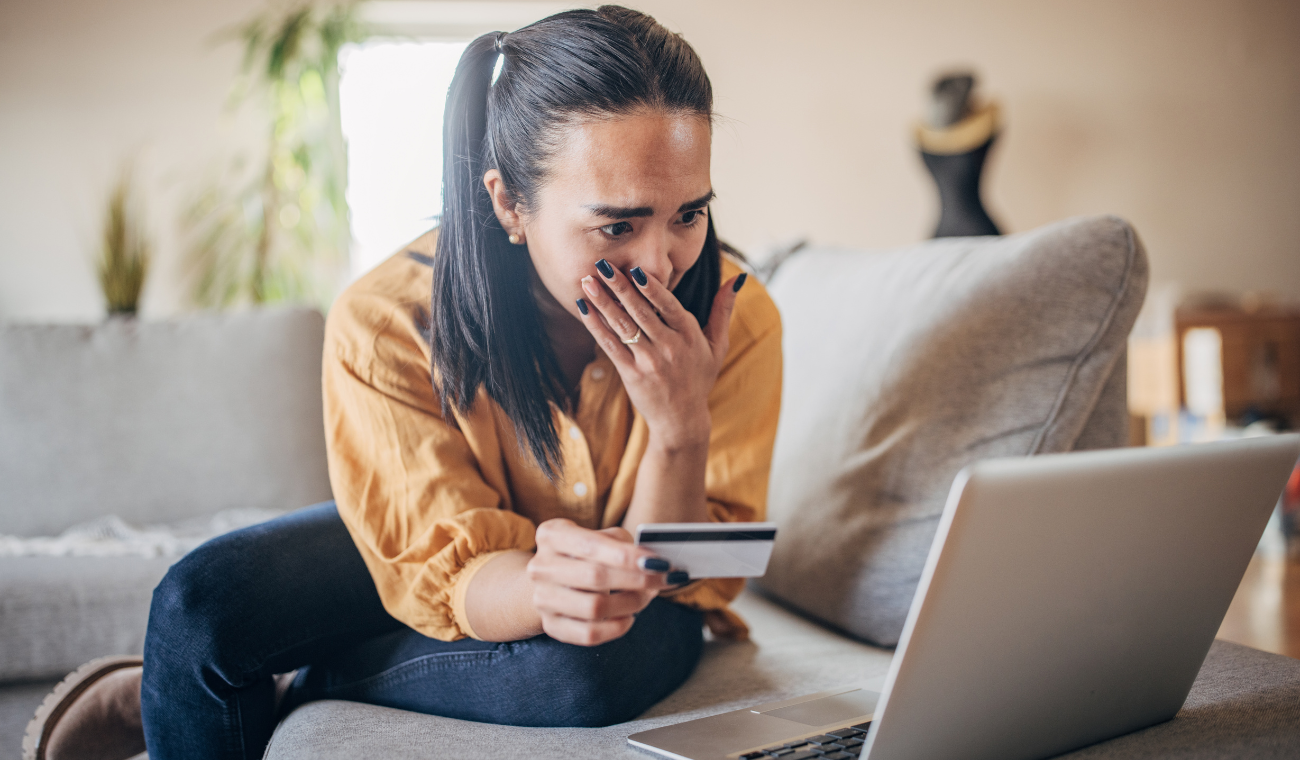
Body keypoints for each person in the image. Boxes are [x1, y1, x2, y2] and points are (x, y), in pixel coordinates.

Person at [22, 6, 782, 760]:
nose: (663, 262)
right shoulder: (387, 321)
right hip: (459, 546)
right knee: (199, 607)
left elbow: (697, 572)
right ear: (509, 205)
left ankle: (299, 689)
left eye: (689, 213)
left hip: (637, 596)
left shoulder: (736, 319)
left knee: (582, 674)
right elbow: (441, 563)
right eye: (618, 226)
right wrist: (535, 588)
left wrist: (680, 429)